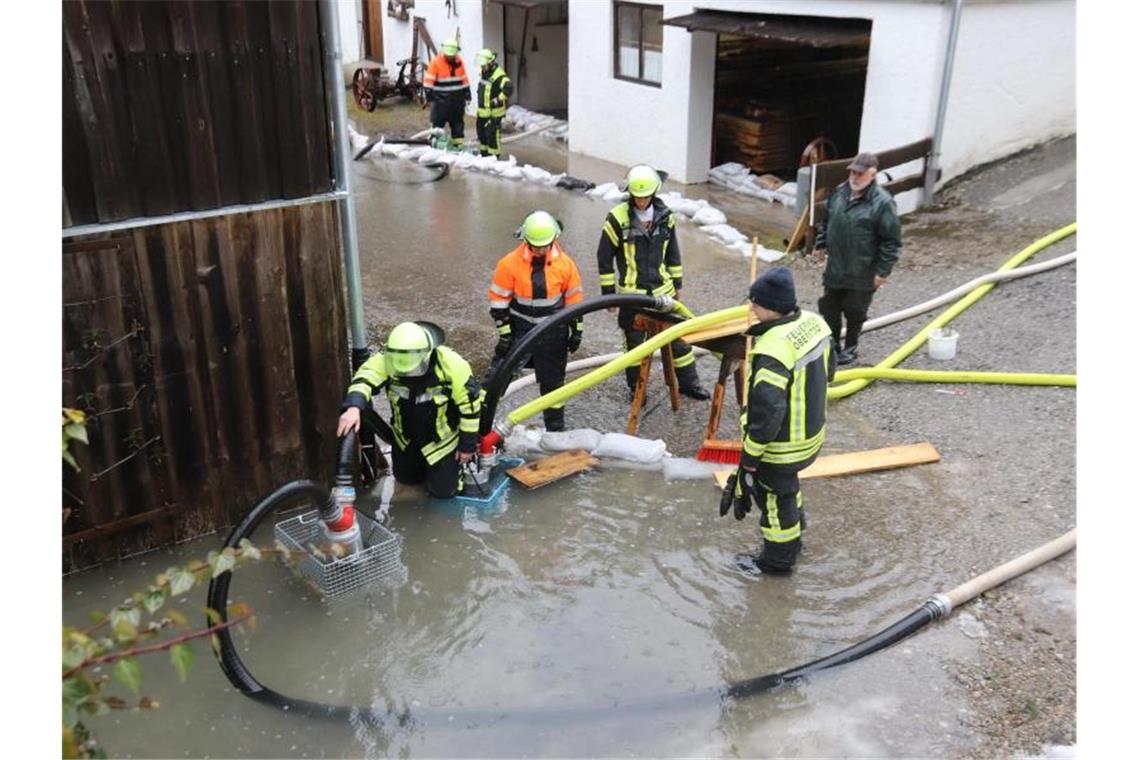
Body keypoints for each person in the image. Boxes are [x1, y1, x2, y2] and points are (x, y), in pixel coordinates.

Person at [719, 266, 834, 574]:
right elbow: (830, 372)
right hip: (812, 434)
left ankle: (777, 562)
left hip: (782, 447)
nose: (750, 308)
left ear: (768, 307)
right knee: (787, 489)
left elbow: (766, 414)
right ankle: (795, 539)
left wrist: (750, 461)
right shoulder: (815, 323)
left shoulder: (772, 349)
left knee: (772, 497)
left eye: (754, 303)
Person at [596, 164, 709, 401]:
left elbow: (673, 253)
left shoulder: (665, 217)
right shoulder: (617, 219)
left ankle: (689, 384)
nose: (640, 202)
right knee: (635, 349)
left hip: (663, 293)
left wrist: (677, 285)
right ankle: (637, 391)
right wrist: (608, 294)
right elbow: (604, 257)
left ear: (653, 194)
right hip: (631, 297)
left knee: (679, 341)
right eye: (636, 197)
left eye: (645, 197)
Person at [337, 322, 482, 498]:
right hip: (404, 439)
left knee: (445, 493)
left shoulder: (453, 366)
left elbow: (471, 408)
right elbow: (365, 377)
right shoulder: (388, 358)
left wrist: (467, 446)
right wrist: (353, 406)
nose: (408, 375)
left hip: (442, 444)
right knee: (406, 482)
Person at [487, 211, 584, 432]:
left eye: (544, 246)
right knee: (497, 377)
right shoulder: (509, 265)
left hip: (554, 332)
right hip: (520, 331)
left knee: (553, 385)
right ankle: (480, 424)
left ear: (554, 240)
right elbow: (499, 302)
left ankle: (555, 430)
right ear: (526, 240)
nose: (540, 250)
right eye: (535, 246)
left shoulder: (566, 266)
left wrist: (576, 331)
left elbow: (575, 302)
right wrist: (504, 334)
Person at [812, 151, 902, 365]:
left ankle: (850, 346)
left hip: (863, 269)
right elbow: (827, 221)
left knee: (855, 310)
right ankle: (833, 343)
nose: (855, 177)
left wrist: (883, 272)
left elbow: (891, 241)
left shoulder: (883, 203)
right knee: (829, 306)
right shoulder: (839, 193)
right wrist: (821, 244)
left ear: (873, 174)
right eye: (853, 172)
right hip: (836, 267)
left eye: (860, 174)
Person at [422, 38, 471, 152]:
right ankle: (434, 149)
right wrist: (430, 97)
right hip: (440, 102)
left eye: (452, 55)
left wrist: (467, 92)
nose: (450, 57)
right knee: (437, 127)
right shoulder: (436, 62)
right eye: (448, 55)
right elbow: (428, 82)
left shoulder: (459, 61)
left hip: (457, 101)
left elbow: (463, 78)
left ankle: (458, 148)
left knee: (458, 127)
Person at [474, 49, 512, 158]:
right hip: (482, 113)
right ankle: (484, 156)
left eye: (484, 65)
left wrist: (498, 100)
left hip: (494, 114)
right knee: (482, 136)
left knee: (492, 138)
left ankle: (493, 159)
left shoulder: (499, 75)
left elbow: (509, 88)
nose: (482, 68)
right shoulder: (484, 73)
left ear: (491, 63)